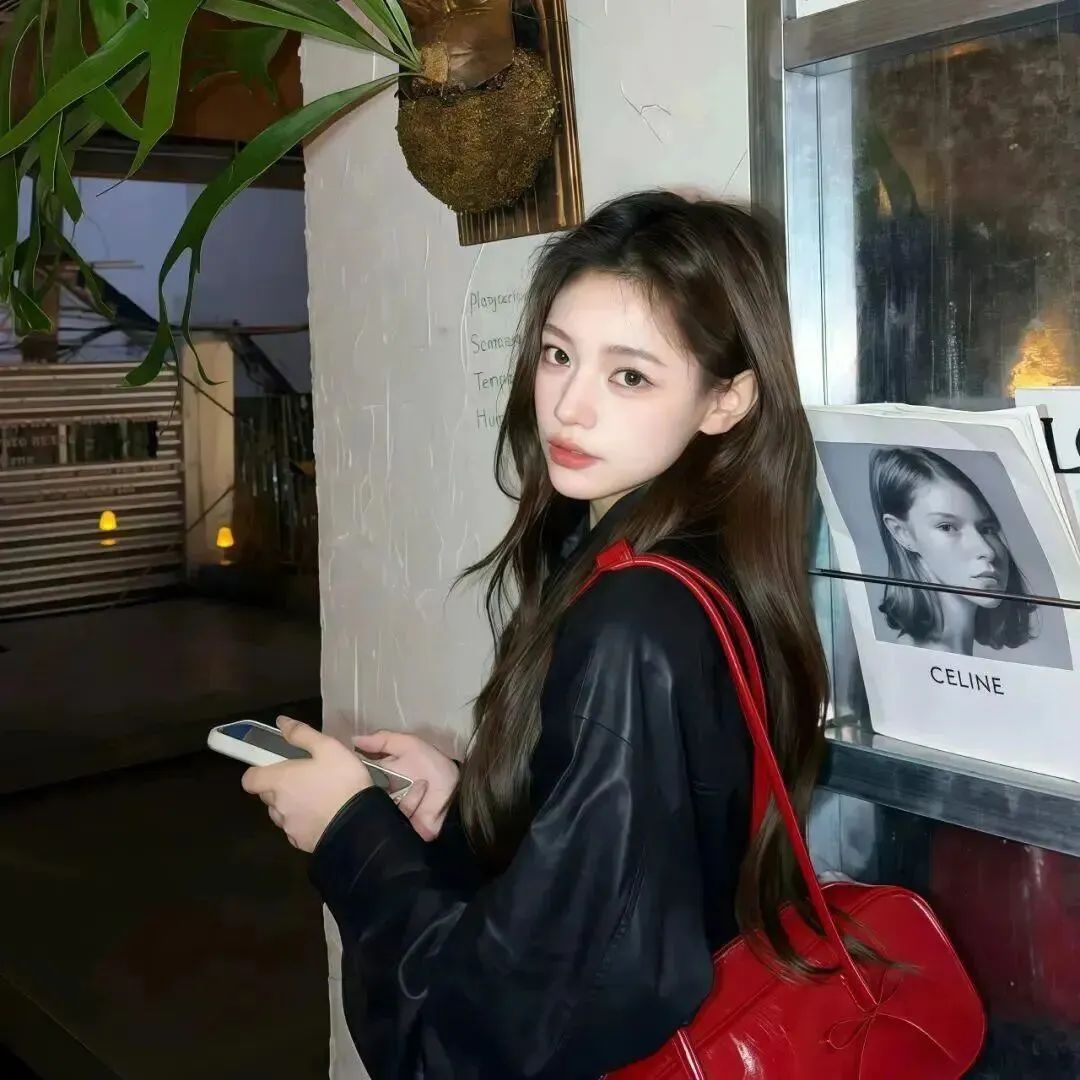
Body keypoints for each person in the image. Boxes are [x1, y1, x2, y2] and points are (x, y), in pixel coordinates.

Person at [241, 191, 829, 1079]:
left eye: (630, 376)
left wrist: (349, 834)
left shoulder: (637, 614)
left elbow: (516, 1023)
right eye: (558, 355)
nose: (569, 408)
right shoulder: (697, 563)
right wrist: (476, 799)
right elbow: (647, 858)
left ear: (727, 399)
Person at [870, 446, 1036, 656]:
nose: (987, 551)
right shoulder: (908, 661)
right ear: (902, 533)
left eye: (987, 529)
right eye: (947, 527)